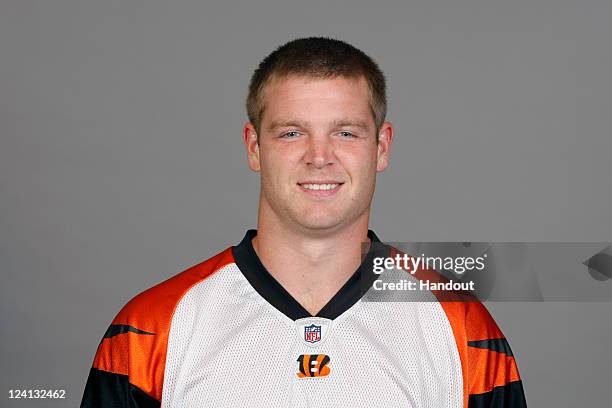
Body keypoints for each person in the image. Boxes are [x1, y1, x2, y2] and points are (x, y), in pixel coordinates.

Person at [81, 37, 527, 407]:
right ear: (254, 146)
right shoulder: (150, 330)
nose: (319, 156)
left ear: (382, 147)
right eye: (292, 132)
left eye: (346, 132)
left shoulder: (462, 329)